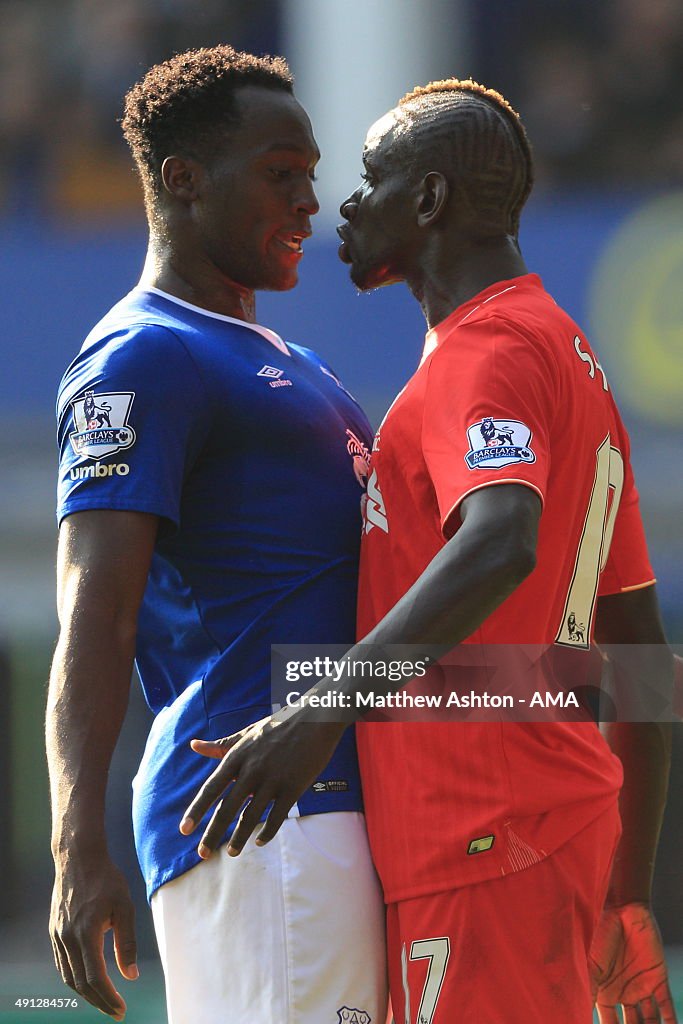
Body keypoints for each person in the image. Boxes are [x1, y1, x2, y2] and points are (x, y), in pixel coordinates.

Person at [180, 80, 678, 1023]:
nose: (347, 204)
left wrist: (317, 710)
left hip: (481, 848)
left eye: (372, 178)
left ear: (431, 199)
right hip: (549, 841)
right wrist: (628, 895)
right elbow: (642, 664)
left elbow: (500, 544)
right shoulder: (565, 353)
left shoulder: (482, 354)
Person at [46, 46, 388, 1024]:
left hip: (334, 809)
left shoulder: (301, 361)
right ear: (183, 180)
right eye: (281, 175)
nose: (308, 204)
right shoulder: (141, 354)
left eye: (311, 178)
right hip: (256, 819)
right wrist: (79, 847)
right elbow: (94, 616)